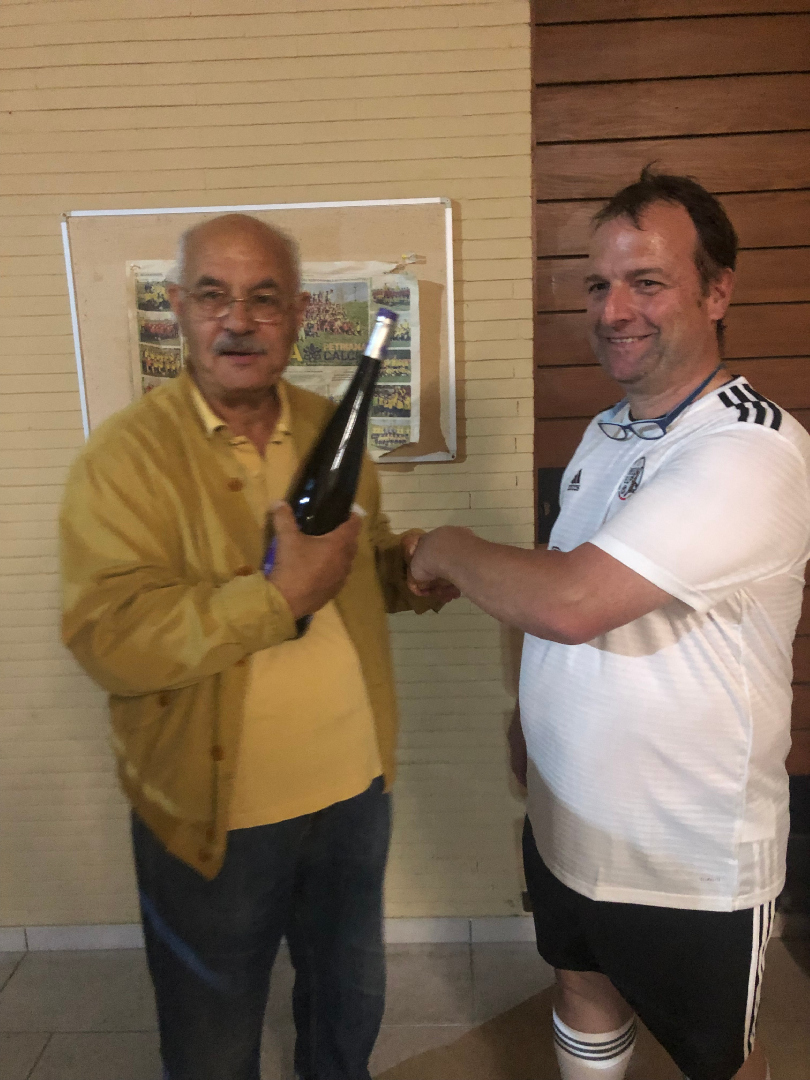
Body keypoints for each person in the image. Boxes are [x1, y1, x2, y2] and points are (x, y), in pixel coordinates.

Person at [409, 169, 810, 1080]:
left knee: (719, 1059)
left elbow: (573, 601)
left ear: (717, 291)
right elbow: (565, 577)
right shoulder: (607, 431)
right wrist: (528, 714)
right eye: (599, 284)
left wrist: (444, 547)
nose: (614, 310)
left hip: (687, 858)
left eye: (647, 282)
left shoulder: (750, 447)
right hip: (570, 820)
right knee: (581, 984)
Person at [60, 213, 455, 1080]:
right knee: (212, 1040)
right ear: (176, 307)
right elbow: (109, 637)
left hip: (353, 794)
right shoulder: (122, 459)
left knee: (348, 1009)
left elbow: (359, 562)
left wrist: (410, 572)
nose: (237, 320)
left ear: (300, 313)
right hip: (215, 815)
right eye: (213, 295)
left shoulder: (330, 426)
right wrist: (276, 601)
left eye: (264, 299)